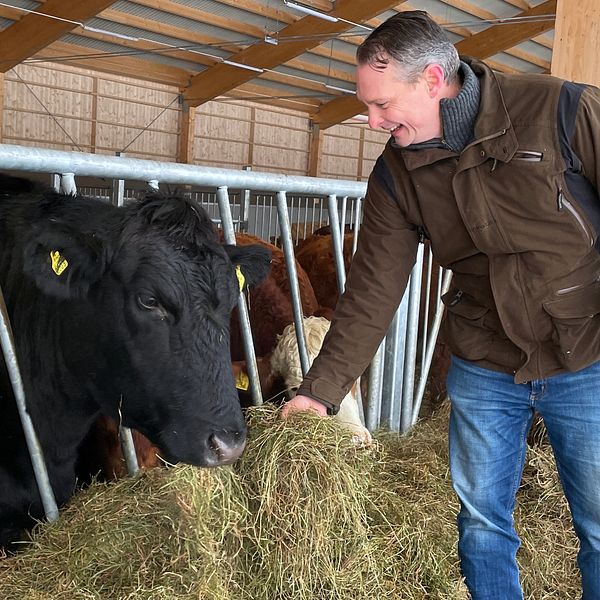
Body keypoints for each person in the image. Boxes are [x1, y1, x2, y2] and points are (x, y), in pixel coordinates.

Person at [281, 10, 600, 600]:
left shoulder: (562, 112)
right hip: (484, 357)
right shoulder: (396, 176)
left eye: (382, 104)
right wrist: (319, 391)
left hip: (587, 352)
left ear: (432, 79)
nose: (373, 121)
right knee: (482, 525)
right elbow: (373, 289)